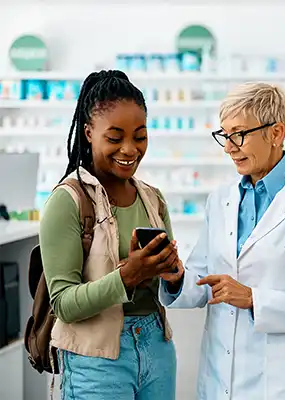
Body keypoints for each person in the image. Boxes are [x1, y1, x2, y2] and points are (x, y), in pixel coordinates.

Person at [159, 82, 285, 399]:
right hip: (218, 378)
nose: (229, 147)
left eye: (239, 134)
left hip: (279, 383)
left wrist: (255, 299)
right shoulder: (220, 199)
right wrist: (175, 278)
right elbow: (204, 279)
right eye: (224, 135)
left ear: (276, 134)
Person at [40, 70, 184, 400]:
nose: (130, 149)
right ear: (89, 133)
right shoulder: (68, 201)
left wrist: (172, 275)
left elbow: (166, 286)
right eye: (115, 137)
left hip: (156, 349)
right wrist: (127, 277)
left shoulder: (153, 198)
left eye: (140, 136)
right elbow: (63, 304)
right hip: (96, 360)